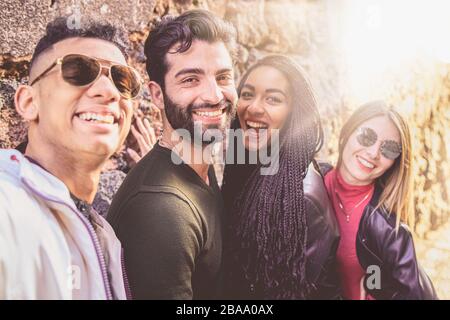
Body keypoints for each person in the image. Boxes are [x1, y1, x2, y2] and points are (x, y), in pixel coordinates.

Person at [0, 16, 141, 299]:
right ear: (29, 102)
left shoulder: (106, 236)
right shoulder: (7, 204)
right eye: (77, 71)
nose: (109, 92)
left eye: (122, 80)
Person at [107, 9, 238, 299]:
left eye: (223, 77)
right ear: (156, 95)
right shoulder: (162, 208)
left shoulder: (198, 165)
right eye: (191, 79)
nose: (214, 95)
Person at [221, 55, 340, 299]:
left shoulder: (302, 201)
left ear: (293, 113)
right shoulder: (252, 164)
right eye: (247, 94)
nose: (253, 107)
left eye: (273, 99)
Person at [322, 100, 438, 300]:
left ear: (394, 163)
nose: (373, 153)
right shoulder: (310, 180)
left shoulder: (389, 229)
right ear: (347, 133)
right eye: (366, 136)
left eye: (389, 149)